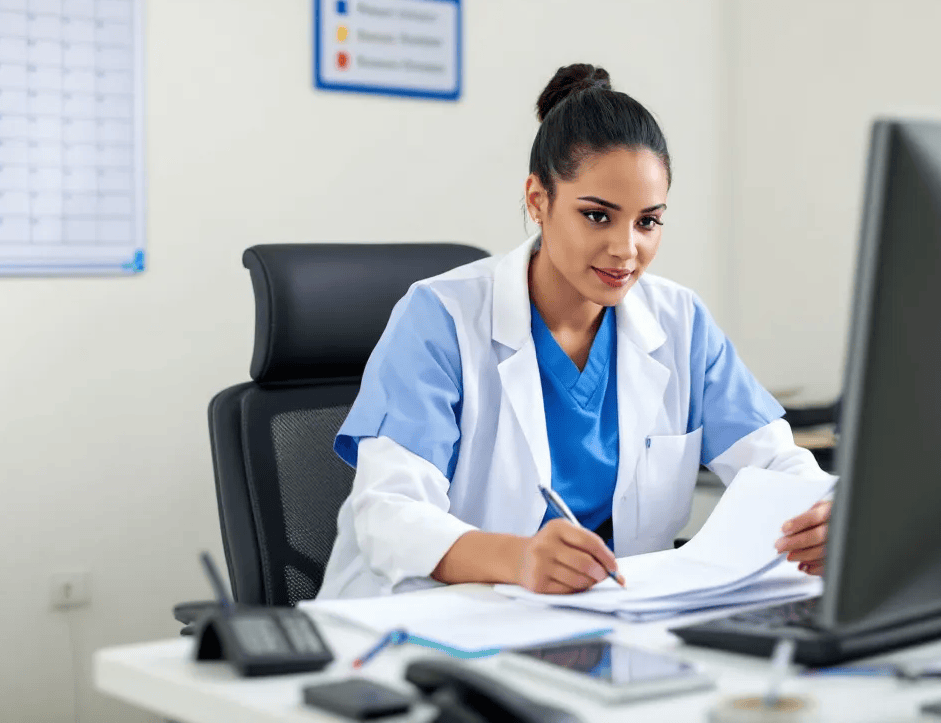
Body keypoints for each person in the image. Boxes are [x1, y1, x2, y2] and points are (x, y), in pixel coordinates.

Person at [317, 64, 832, 599]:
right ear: (539, 200)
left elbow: (776, 465)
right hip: (421, 620)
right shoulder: (439, 319)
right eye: (597, 216)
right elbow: (389, 516)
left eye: (648, 221)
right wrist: (519, 559)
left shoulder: (680, 323)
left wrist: (824, 514)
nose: (625, 249)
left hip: (599, 621)